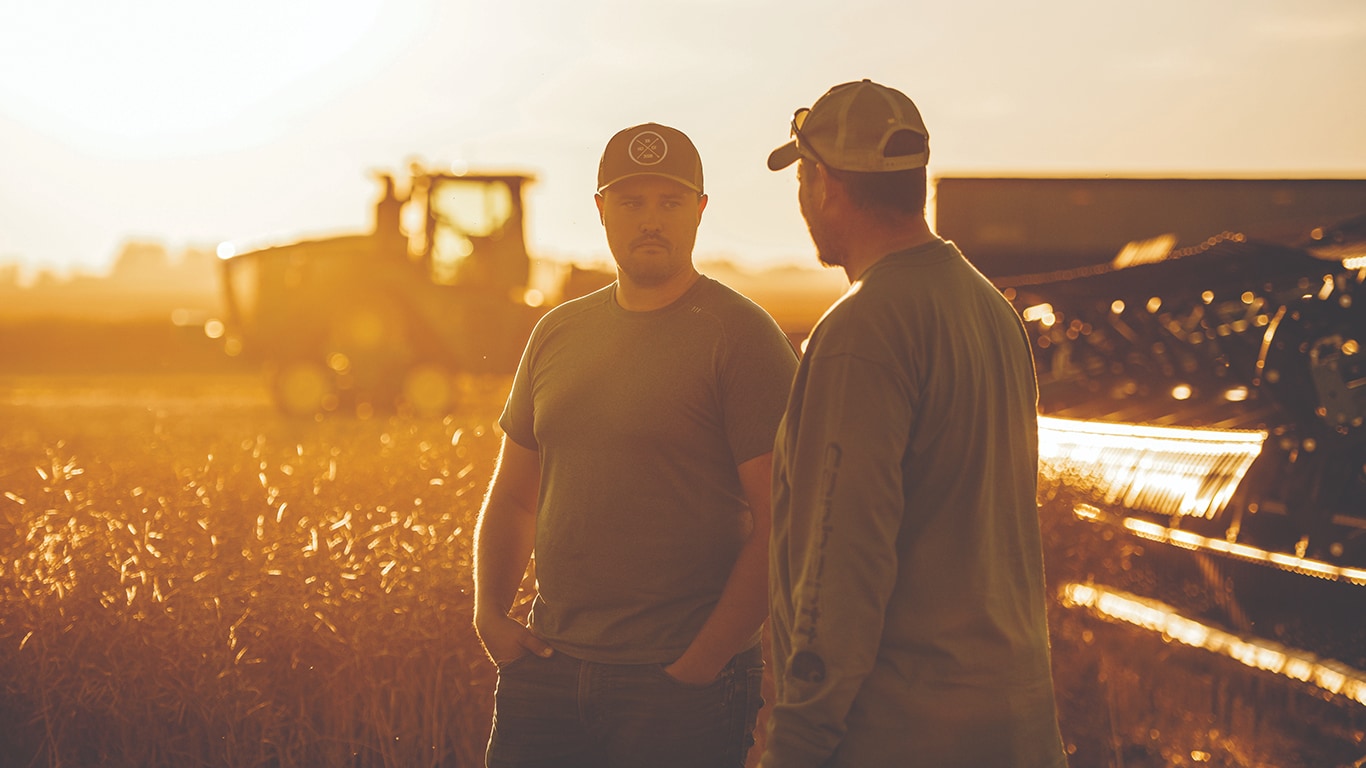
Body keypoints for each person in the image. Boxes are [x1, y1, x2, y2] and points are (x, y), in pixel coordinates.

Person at [760, 80, 1068, 768]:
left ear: (823, 183)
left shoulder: (860, 331)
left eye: (804, 177)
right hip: (1015, 727)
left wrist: (798, 740)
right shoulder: (989, 310)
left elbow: (843, 554)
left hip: (901, 735)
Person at [473, 122, 799, 768]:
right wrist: (489, 614)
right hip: (547, 672)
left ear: (700, 212)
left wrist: (702, 661)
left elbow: (783, 521)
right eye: (631, 202)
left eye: (670, 203)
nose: (651, 221)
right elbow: (513, 496)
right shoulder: (557, 334)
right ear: (601, 211)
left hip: (677, 688)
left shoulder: (743, 338)